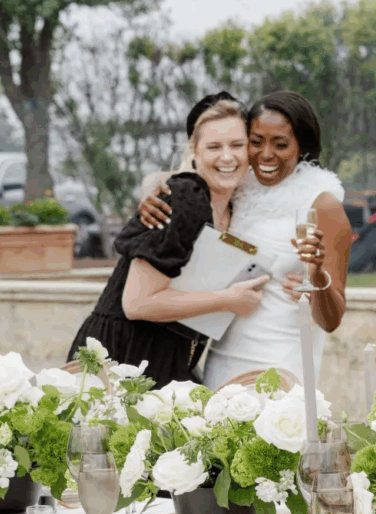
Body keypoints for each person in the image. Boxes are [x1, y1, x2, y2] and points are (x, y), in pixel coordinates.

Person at [137, 89, 352, 388]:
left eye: (280, 144)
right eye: (256, 142)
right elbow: (190, 181)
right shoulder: (239, 189)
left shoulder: (323, 204)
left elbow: (332, 320)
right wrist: (152, 191)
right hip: (221, 356)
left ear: (301, 146)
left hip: (283, 359)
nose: (266, 155)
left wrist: (315, 275)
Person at [67, 94, 269, 388]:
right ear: (194, 152)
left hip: (169, 354)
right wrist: (228, 300)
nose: (228, 157)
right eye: (214, 147)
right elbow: (137, 304)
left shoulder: (234, 206)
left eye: (237, 145)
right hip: (124, 356)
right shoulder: (186, 199)